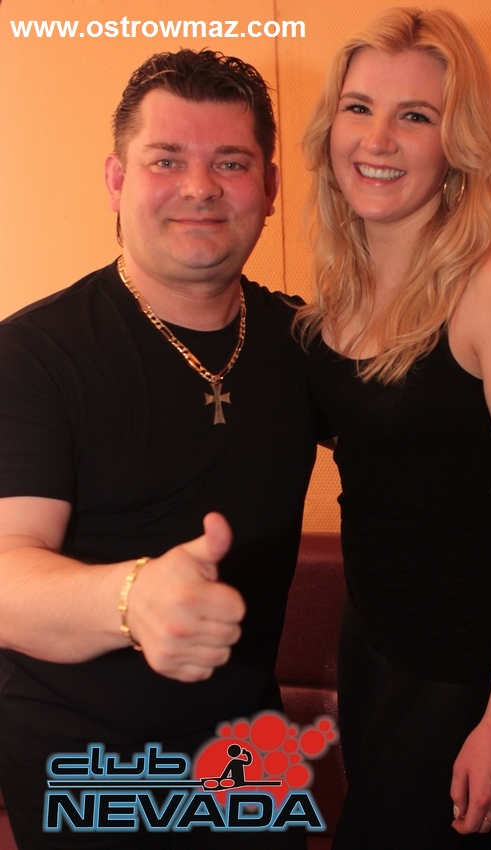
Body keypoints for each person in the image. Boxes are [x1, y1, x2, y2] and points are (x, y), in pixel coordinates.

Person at [0, 48, 321, 849]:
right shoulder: (34, 353)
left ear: (270, 188)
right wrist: (132, 599)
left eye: (231, 162)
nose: (199, 186)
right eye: (166, 159)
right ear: (117, 179)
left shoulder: (305, 345)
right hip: (84, 764)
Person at [299, 7, 491, 848]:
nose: (377, 139)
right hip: (371, 647)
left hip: (464, 672)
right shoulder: (335, 295)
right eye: (358, 107)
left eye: (415, 115)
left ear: (457, 143)